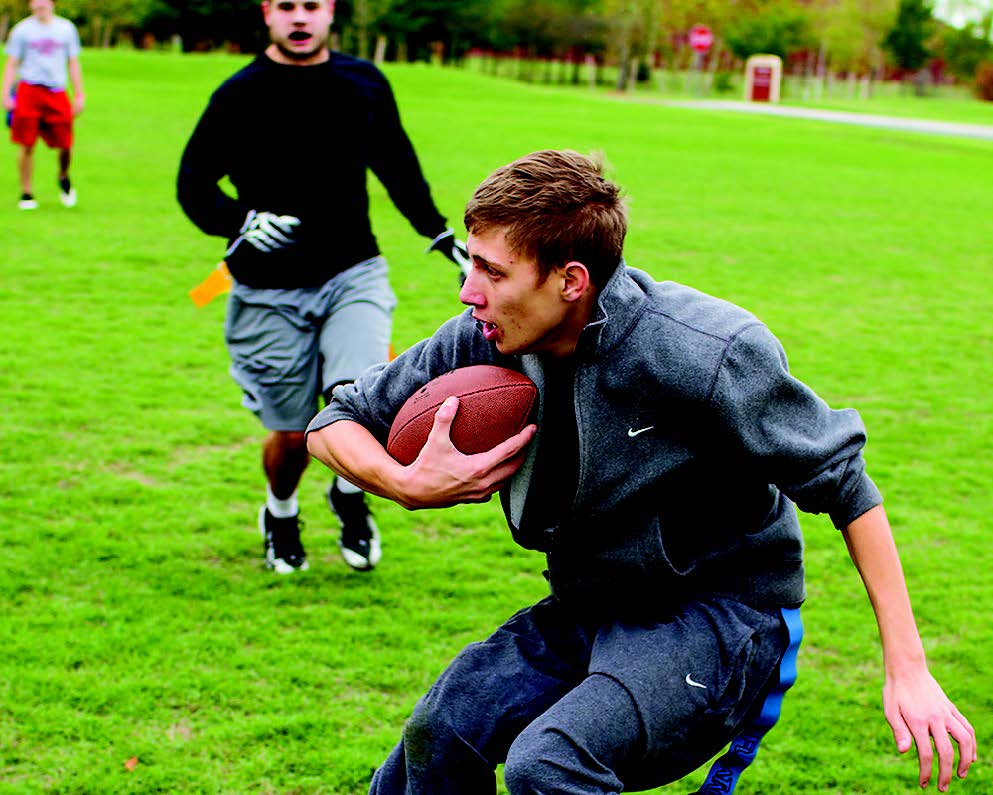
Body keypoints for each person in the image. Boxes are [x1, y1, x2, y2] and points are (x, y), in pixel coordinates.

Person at [306, 150, 977, 793]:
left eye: (492, 271)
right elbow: (334, 423)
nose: (467, 290)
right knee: (443, 728)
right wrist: (405, 483)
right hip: (591, 603)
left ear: (569, 279)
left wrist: (907, 668)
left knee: (549, 764)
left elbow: (847, 486)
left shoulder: (701, 352)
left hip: (720, 618)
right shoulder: (483, 335)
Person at [177, 0, 468, 575]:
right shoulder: (239, 93)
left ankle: (351, 495)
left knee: (353, 402)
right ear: (267, 13)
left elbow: (398, 166)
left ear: (330, 11)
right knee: (290, 434)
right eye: (287, 6)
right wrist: (239, 220)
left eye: (311, 5)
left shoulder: (362, 82)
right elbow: (193, 185)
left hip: (352, 273)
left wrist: (438, 233)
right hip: (266, 291)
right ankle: (280, 513)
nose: (300, 18)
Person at [2, 0, 84, 210]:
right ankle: (27, 192)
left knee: (65, 143)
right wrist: (5, 93)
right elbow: (12, 63)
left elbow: (73, 62)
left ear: (52, 3)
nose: (39, 5)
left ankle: (63, 176)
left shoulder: (66, 29)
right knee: (27, 143)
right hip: (29, 89)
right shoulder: (22, 30)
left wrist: (79, 94)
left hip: (56, 90)